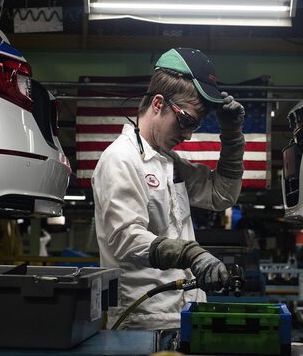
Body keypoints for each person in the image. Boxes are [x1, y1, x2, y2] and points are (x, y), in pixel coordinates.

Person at [92, 47, 246, 332]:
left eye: (195, 126)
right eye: (186, 121)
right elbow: (127, 238)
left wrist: (233, 136)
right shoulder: (120, 159)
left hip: (185, 316)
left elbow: (221, 194)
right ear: (158, 103)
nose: (188, 135)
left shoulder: (169, 163)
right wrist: (192, 254)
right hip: (142, 322)